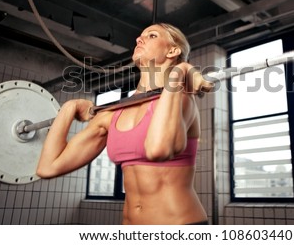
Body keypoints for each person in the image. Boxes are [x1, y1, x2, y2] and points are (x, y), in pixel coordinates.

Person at [36, 23, 213, 225]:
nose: (139, 39)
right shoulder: (111, 115)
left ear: (173, 51)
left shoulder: (180, 98)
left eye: (152, 35)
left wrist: (180, 71)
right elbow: (48, 168)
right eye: (140, 36)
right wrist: (69, 108)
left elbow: (157, 149)